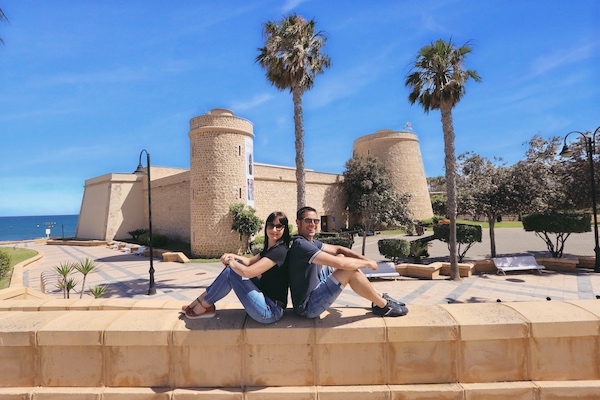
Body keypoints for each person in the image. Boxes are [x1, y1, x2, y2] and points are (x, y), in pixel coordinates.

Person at [288, 206, 408, 318]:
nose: (313, 224)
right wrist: (368, 264)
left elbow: (338, 249)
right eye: (308, 220)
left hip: (316, 287)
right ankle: (383, 306)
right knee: (348, 270)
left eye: (316, 221)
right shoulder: (301, 245)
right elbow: (340, 264)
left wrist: (365, 259)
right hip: (307, 307)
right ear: (298, 222)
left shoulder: (310, 242)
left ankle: (379, 296)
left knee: (342, 256)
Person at [182, 211, 290, 323]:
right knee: (235, 267)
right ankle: (202, 301)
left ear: (284, 229)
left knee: (232, 272)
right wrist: (233, 256)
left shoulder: (280, 251)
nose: (274, 230)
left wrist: (230, 261)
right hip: (265, 300)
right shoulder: (270, 249)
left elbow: (248, 272)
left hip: (271, 311)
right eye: (271, 225)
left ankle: (205, 304)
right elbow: (248, 261)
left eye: (279, 226)